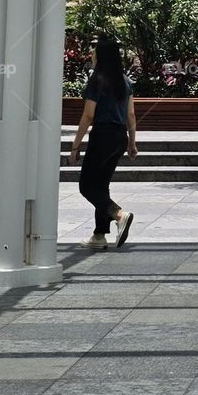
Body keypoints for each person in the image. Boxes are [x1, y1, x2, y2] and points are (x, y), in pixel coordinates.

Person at [69, 37, 136, 250]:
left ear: (101, 55)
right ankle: (99, 235)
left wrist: (75, 146)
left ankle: (119, 215)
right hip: (119, 137)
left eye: (95, 50)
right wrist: (132, 142)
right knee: (101, 186)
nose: (92, 54)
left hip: (102, 135)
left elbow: (88, 115)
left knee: (87, 187)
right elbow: (131, 114)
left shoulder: (97, 80)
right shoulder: (125, 81)